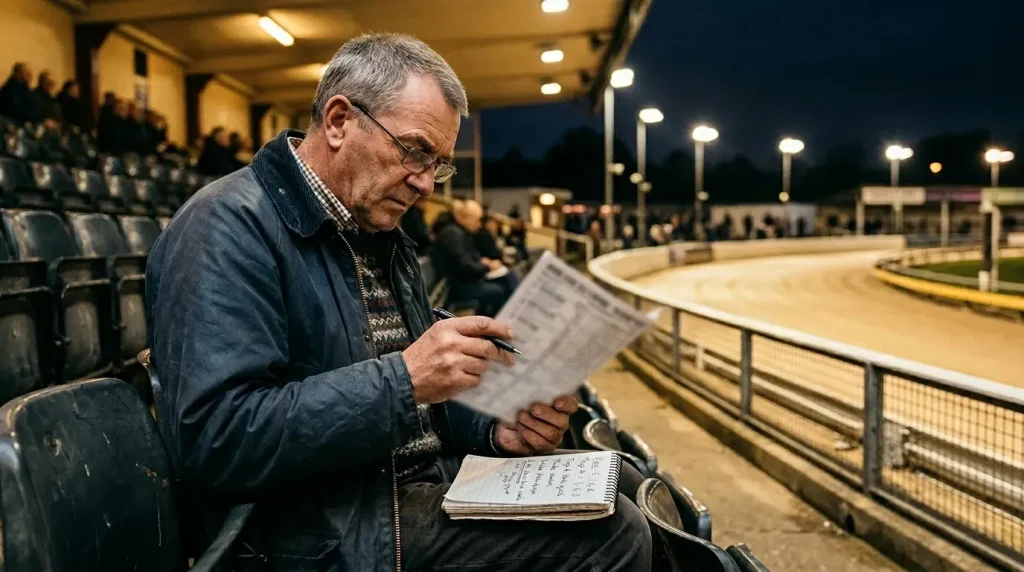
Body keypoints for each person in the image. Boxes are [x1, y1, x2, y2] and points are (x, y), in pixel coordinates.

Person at [145, 33, 651, 572]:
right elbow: (217, 440)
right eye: (414, 151)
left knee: (623, 476)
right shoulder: (223, 227)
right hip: (304, 533)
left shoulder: (376, 225)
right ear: (339, 121)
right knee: (612, 531)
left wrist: (493, 431)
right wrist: (404, 379)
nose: (427, 183)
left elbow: (417, 402)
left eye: (439, 163)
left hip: (391, 496)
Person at [433, 199, 519, 317]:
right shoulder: (453, 233)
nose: (479, 225)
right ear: (466, 218)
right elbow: (463, 266)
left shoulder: (457, 232)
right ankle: (489, 324)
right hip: (456, 287)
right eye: (477, 220)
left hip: (461, 282)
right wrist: (486, 266)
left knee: (507, 280)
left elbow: (467, 259)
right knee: (501, 290)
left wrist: (483, 262)